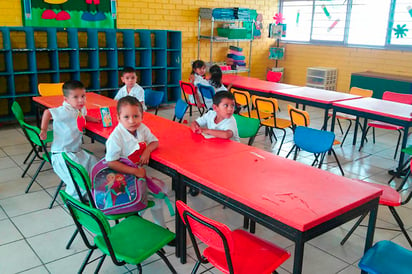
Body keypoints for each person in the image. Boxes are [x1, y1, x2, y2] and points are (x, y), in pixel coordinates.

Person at [105, 96, 173, 243]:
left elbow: (154, 141)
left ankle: (138, 219)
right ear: (118, 118)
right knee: (158, 194)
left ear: (142, 116)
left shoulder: (141, 128)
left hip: (136, 177)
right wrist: (135, 172)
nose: (132, 121)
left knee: (159, 191)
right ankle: (148, 225)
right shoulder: (116, 137)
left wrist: (147, 150)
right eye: (126, 117)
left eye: (136, 116)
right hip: (121, 182)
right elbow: (111, 163)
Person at [39, 80, 100, 199]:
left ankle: (90, 193)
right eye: (76, 97)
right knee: (77, 180)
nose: (81, 100)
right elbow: (47, 112)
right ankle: (73, 202)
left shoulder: (79, 108)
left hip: (75, 151)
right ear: (66, 99)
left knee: (95, 163)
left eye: (83, 96)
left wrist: (92, 119)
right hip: (62, 155)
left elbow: (82, 115)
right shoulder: (64, 111)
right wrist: (43, 130)